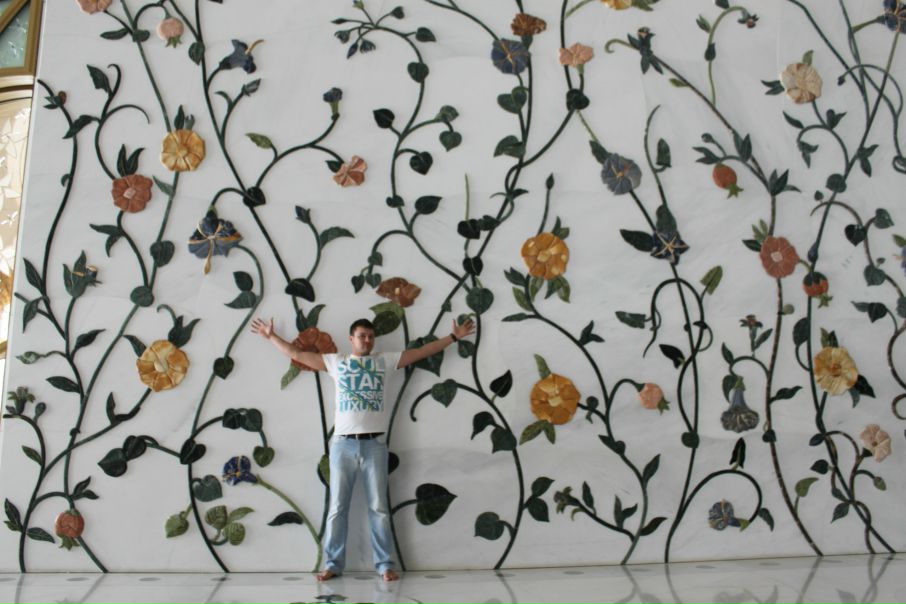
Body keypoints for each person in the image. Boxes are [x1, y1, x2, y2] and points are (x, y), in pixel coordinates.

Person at [250, 315, 476, 582]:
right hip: (342, 445)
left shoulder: (384, 361)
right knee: (337, 508)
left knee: (379, 508)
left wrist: (453, 337)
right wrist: (271, 336)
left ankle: (384, 565)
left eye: (370, 336)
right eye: (361, 336)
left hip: (375, 446)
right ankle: (332, 565)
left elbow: (421, 352)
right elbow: (297, 354)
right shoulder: (336, 362)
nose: (367, 340)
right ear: (351, 339)